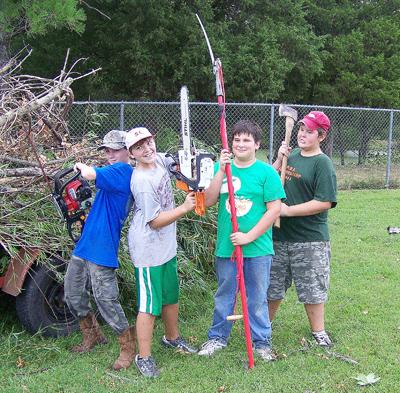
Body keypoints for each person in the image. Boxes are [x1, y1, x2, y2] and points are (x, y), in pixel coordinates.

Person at [198, 120, 285, 361]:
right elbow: (209, 201)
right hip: (227, 247)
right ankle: (217, 337)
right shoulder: (222, 168)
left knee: (257, 296)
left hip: (257, 248)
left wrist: (249, 236)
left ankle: (262, 342)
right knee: (225, 293)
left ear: (257, 144)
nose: (240, 144)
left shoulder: (266, 172)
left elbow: (274, 210)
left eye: (246, 140)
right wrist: (219, 171)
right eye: (236, 139)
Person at [125, 126, 197, 378]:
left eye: (148, 142)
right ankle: (143, 357)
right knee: (148, 305)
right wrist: (185, 208)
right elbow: (154, 221)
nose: (146, 149)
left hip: (166, 247)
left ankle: (172, 337)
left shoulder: (158, 160)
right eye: (138, 147)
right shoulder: (142, 181)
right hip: (148, 250)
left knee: (170, 295)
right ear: (131, 154)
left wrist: (186, 162)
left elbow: (173, 163)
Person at [64, 129, 136, 371]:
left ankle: (128, 346)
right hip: (85, 245)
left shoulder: (124, 171)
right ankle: (92, 335)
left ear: (128, 151)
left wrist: (79, 166)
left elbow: (89, 173)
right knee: (73, 293)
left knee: (106, 299)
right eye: (107, 150)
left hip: (103, 249)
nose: (111, 154)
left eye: (115, 149)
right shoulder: (113, 171)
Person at [269, 111, 337, 347]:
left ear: (321, 136)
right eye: (301, 130)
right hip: (278, 235)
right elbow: (268, 180)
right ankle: (263, 327)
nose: (303, 135)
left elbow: (324, 201)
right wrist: (279, 159)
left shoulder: (322, 163)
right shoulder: (292, 155)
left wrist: (288, 211)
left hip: (310, 239)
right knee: (272, 286)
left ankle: (318, 332)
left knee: (312, 288)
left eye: (309, 131)